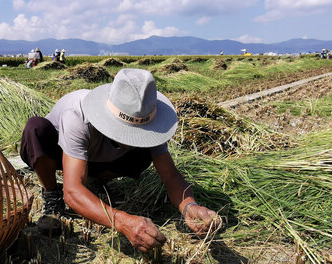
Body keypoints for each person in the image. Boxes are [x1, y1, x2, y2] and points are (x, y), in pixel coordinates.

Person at [20, 68, 220, 252]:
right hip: (62, 154)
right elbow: (71, 191)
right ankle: (51, 195)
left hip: (101, 161)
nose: (132, 139)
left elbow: (170, 175)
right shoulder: (77, 117)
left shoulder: (148, 120)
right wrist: (122, 221)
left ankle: (96, 181)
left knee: (143, 154)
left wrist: (189, 206)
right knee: (35, 129)